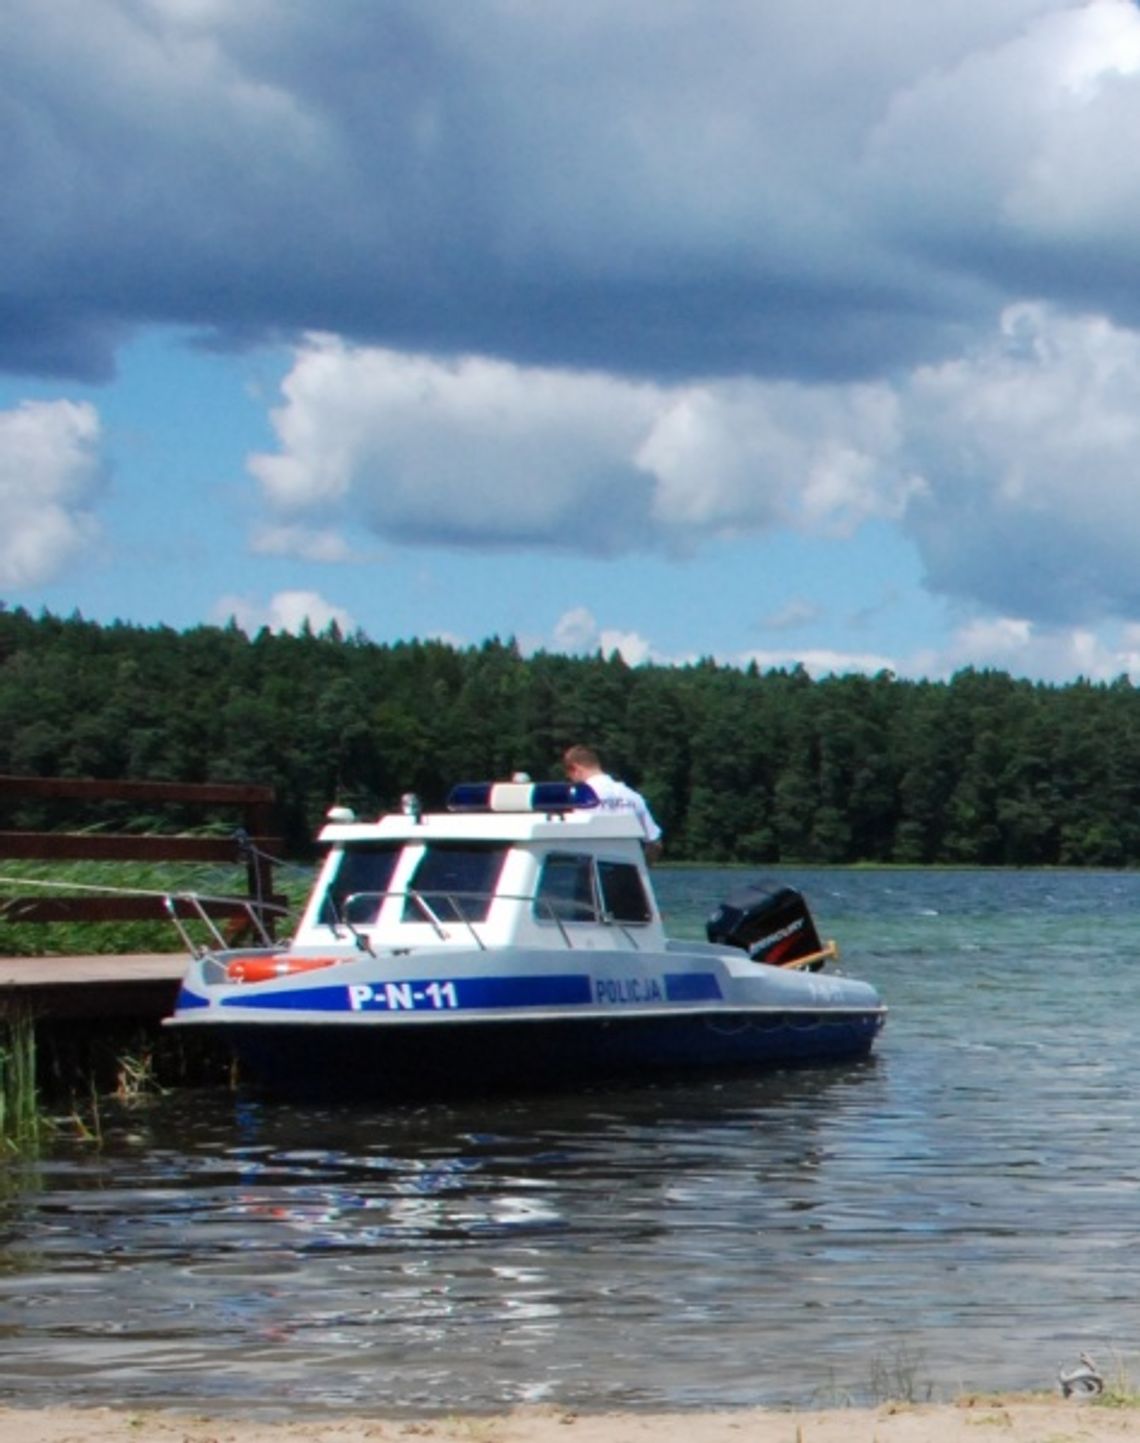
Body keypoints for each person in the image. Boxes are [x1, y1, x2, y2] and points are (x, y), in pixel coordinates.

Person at [562, 744, 663, 860]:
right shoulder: (633, 797)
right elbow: (655, 843)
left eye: (568, 774)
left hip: (589, 869)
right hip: (627, 871)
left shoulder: (577, 796)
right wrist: (641, 869)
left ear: (574, 769)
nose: (569, 778)